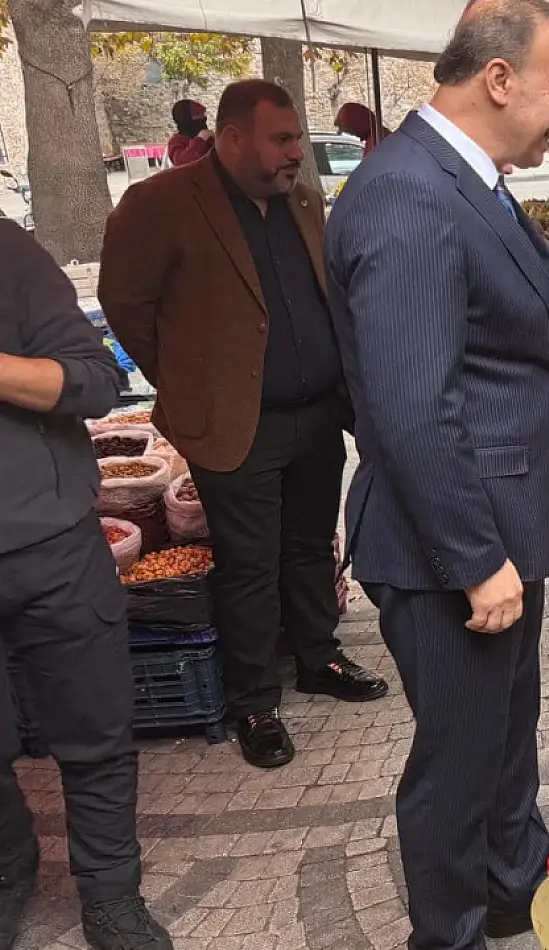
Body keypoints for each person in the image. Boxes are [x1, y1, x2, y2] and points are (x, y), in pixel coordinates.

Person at [322, 2, 549, 944]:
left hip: (502, 527)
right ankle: (451, 929)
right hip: (447, 550)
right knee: (455, 770)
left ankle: (514, 891)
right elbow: (412, 408)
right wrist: (474, 559)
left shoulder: (467, 179)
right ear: (499, 81)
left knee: (504, 740)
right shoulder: (406, 193)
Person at [100, 79, 388, 772]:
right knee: (250, 566)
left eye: (296, 138)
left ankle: (318, 657)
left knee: (310, 544)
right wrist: (187, 381)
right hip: (237, 425)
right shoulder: (160, 204)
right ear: (232, 138)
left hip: (318, 413)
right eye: (282, 139)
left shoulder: (303, 201)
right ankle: (254, 700)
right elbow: (124, 303)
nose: (296, 152)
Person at [0, 220, 174, 950]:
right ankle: (9, 870)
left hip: (50, 547)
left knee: (94, 729)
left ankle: (110, 894)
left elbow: (98, 381)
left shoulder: (7, 253)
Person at [166, 99, 211, 166]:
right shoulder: (176, 141)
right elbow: (182, 162)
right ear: (186, 118)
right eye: (197, 114)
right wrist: (200, 140)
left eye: (203, 114)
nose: (203, 118)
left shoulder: (209, 137)